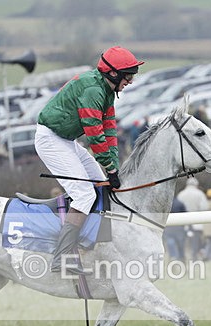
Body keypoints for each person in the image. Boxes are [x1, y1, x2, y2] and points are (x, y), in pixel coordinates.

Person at [35, 46, 144, 275]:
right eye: (129, 75)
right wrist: (112, 168)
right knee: (85, 194)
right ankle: (62, 257)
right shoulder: (93, 90)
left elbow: (109, 130)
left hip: (66, 140)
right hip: (51, 139)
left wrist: (113, 169)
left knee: (99, 183)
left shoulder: (106, 90)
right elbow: (95, 134)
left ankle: (90, 243)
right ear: (113, 73)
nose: (131, 81)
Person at [176, 177, 209, 261]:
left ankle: (182, 257)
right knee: (195, 241)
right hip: (196, 222)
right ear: (196, 185)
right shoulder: (200, 194)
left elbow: (178, 208)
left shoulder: (181, 194)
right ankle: (194, 257)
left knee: (183, 242)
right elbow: (204, 207)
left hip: (183, 223)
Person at [163, 197, 187, 262]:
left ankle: (173, 257)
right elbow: (185, 215)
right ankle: (181, 258)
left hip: (168, 226)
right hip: (179, 226)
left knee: (170, 241)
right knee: (180, 244)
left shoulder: (165, 204)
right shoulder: (180, 203)